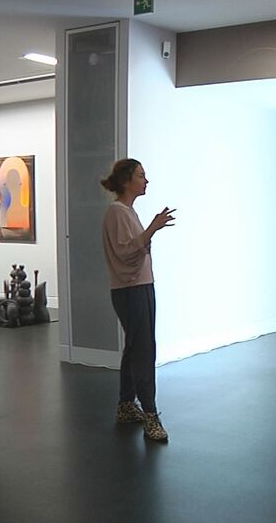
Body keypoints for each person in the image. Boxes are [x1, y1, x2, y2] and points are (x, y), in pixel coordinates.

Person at [100, 158, 176, 442]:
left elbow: (133, 249)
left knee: (135, 347)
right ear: (126, 181)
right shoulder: (117, 212)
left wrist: (150, 230)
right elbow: (126, 252)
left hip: (138, 286)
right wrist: (152, 228)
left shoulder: (127, 212)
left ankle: (126, 404)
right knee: (143, 350)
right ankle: (150, 415)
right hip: (131, 289)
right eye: (141, 176)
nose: (146, 180)